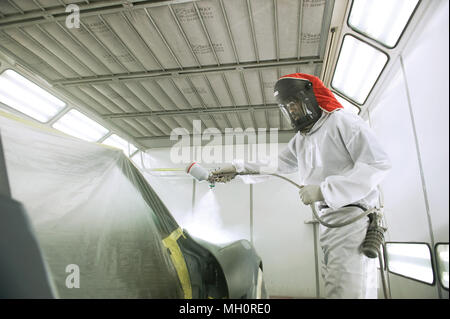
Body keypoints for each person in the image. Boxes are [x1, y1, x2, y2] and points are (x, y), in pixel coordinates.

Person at [212, 73, 392, 299]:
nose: (292, 110)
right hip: (330, 221)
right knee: (338, 287)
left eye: (294, 104)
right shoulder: (303, 138)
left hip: (351, 218)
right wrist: (237, 169)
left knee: (346, 292)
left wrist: (325, 190)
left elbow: (377, 163)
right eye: (287, 107)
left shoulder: (342, 121)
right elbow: (277, 164)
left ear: (310, 98)